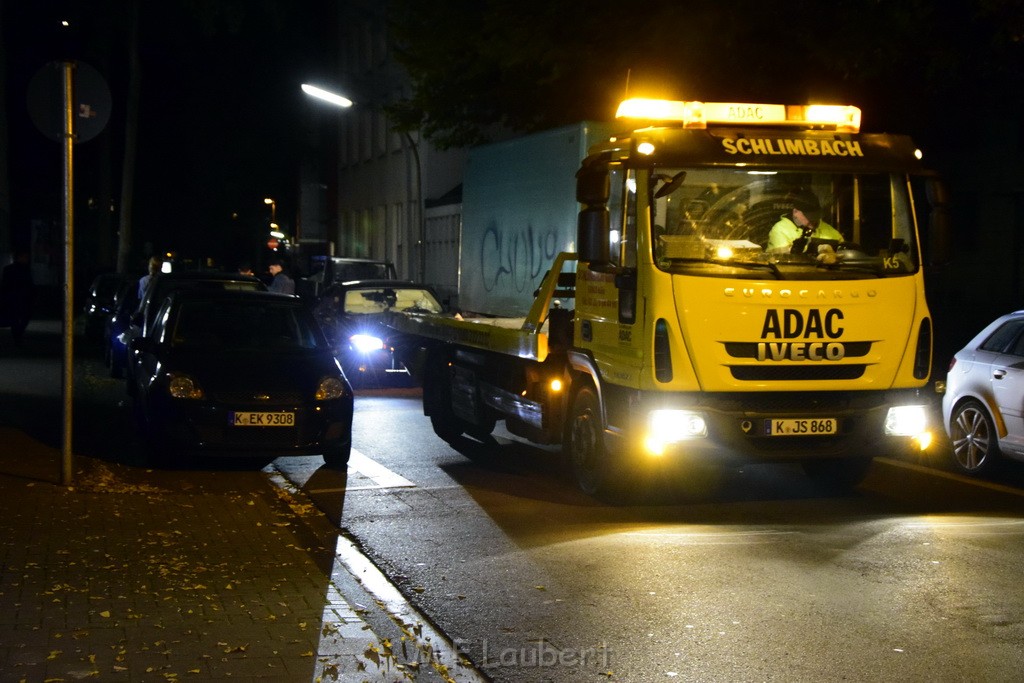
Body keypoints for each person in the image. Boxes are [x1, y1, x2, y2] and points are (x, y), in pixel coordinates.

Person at [766, 188, 843, 254]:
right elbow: (780, 258)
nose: (813, 219)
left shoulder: (829, 231)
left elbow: (844, 250)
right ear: (795, 212)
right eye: (808, 216)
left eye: (816, 215)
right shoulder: (780, 230)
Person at [0, 249, 35, 347]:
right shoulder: (17, 269)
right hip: (16, 297)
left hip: (19, 297)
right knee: (18, 318)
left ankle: (17, 335)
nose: (26, 259)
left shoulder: (13, 269)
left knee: (20, 318)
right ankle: (17, 336)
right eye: (24, 257)